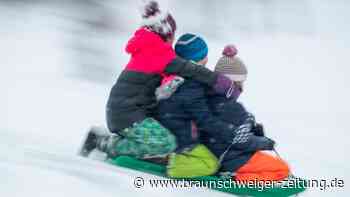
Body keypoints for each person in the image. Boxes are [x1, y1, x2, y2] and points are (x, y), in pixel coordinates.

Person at [79, 1, 237, 160]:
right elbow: (191, 69)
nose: (173, 39)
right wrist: (221, 82)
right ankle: (103, 143)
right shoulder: (159, 53)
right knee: (165, 143)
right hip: (128, 115)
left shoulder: (149, 49)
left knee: (165, 133)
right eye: (173, 34)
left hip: (126, 111)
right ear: (166, 33)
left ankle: (133, 145)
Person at [155, 33, 242, 178]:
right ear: (197, 60)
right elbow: (204, 118)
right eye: (204, 56)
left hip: (177, 132)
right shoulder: (190, 85)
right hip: (181, 139)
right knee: (211, 164)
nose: (207, 59)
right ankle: (174, 166)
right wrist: (228, 131)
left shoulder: (176, 77)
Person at [200, 45, 290, 182]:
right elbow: (242, 141)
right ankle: (236, 178)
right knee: (282, 169)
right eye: (240, 83)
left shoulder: (205, 98)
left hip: (216, 152)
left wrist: (250, 126)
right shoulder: (231, 107)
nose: (242, 88)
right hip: (231, 159)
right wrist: (264, 143)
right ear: (231, 84)